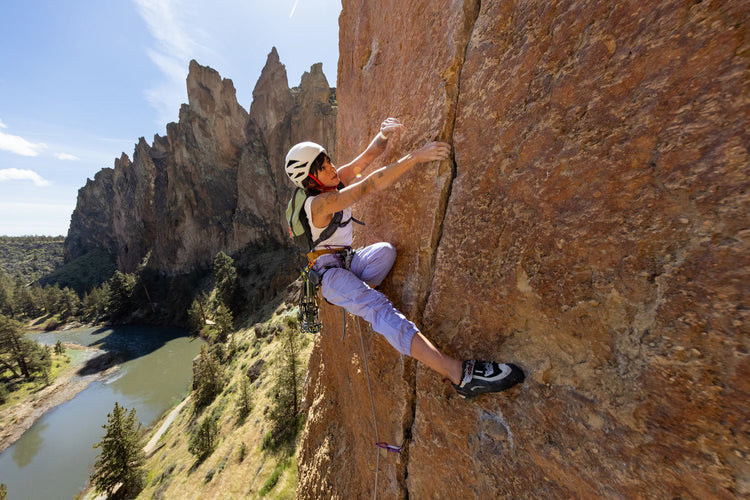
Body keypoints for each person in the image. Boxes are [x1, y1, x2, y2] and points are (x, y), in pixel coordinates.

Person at [284, 118, 524, 398]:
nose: (332, 168)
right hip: (329, 276)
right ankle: (460, 376)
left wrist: (383, 134)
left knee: (386, 252)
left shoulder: (329, 184)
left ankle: (360, 297)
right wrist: (415, 157)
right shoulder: (321, 203)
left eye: (328, 161)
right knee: (380, 308)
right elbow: (370, 184)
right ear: (311, 180)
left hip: (346, 262)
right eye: (323, 168)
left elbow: (364, 162)